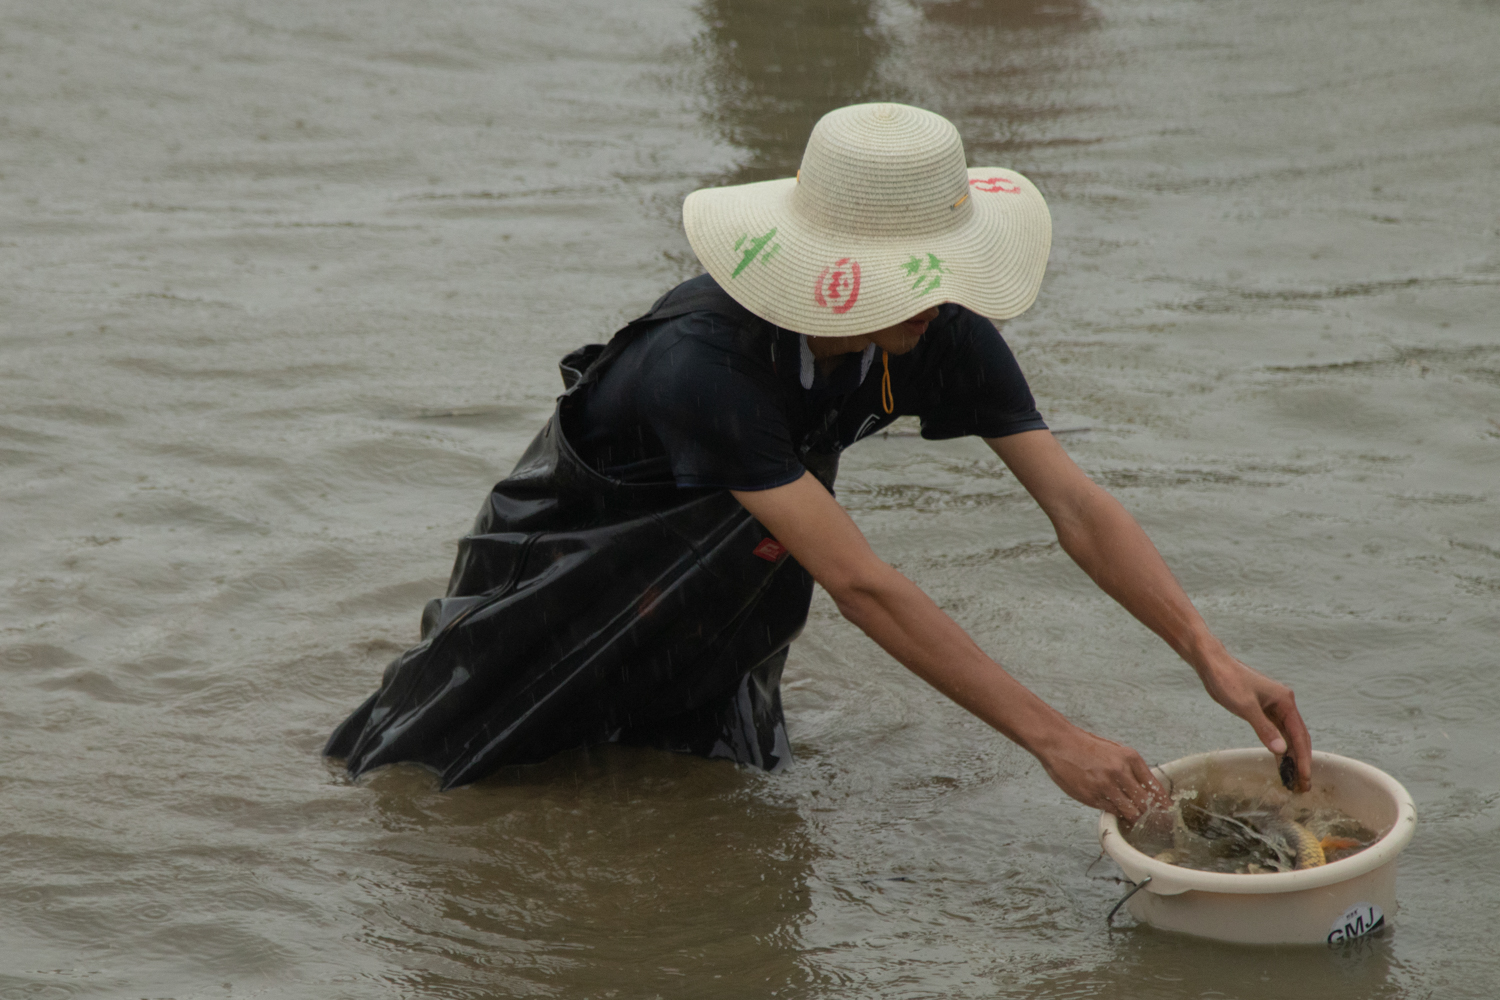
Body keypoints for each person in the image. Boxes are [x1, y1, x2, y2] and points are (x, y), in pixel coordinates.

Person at [326, 103, 1311, 819]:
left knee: (712, 810)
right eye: (911, 271)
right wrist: (1055, 738)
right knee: (418, 790)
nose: (938, 294)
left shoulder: (935, 329)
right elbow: (860, 581)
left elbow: (1076, 508)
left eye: (944, 265)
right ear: (832, 265)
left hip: (711, 605)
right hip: (553, 588)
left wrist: (1208, 654)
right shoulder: (701, 368)